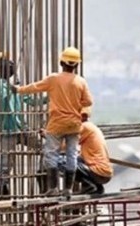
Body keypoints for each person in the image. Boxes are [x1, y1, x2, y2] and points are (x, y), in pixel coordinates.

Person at [12, 47, 93, 196]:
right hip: (74, 125)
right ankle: (68, 189)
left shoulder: (54, 79)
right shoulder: (81, 82)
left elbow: (35, 87)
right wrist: (81, 110)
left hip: (56, 124)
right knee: (72, 155)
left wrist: (18, 90)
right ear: (76, 65)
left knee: (51, 154)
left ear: (62, 62)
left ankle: (53, 188)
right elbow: (88, 101)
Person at [0, 52, 46, 199]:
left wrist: (49, 97)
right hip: (8, 129)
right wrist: (12, 89)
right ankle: (3, 189)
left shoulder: (14, 85)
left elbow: (32, 101)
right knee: (6, 163)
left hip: (22, 128)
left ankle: (43, 176)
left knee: (44, 149)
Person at [73, 107, 112, 194]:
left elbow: (67, 145)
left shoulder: (85, 127)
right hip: (104, 173)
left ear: (81, 116)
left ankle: (89, 185)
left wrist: (50, 138)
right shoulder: (93, 128)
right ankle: (97, 187)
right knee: (78, 159)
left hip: (98, 172)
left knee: (63, 162)